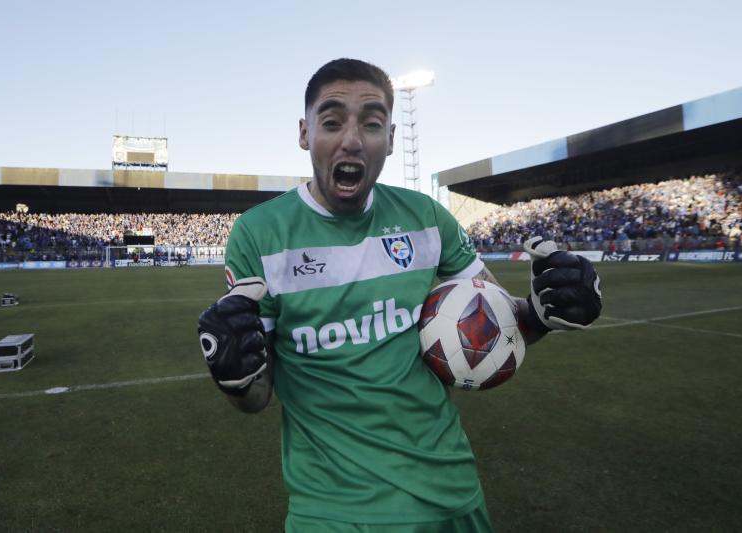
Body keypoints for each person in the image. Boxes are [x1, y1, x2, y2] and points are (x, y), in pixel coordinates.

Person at [197, 58, 602, 532]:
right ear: (305, 133)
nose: (352, 140)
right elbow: (256, 397)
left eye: (371, 124)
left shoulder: (426, 217)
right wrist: (235, 377)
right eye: (332, 122)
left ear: (390, 139)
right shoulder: (258, 234)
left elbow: (502, 324)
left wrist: (542, 312)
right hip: (332, 512)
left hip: (451, 491)